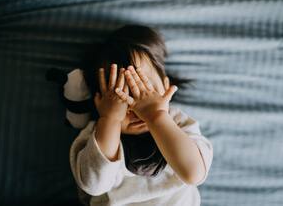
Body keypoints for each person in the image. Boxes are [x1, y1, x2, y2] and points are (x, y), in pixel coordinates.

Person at [69, 24, 213, 206]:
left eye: (145, 90)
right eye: (120, 95)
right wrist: (111, 119)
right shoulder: (96, 135)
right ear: (100, 102)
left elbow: (193, 173)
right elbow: (94, 185)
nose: (135, 106)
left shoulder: (179, 123)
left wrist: (157, 116)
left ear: (166, 86)